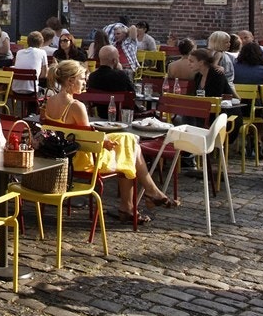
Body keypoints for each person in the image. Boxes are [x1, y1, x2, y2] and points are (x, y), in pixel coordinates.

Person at [40, 59, 174, 223]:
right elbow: (89, 140)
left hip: (65, 155)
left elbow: (82, 134)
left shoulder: (51, 101)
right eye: (82, 79)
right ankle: (138, 200)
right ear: (70, 81)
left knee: (129, 141)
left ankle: (142, 198)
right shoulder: (76, 106)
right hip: (82, 160)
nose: (85, 82)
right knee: (129, 150)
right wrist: (104, 142)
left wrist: (104, 139)